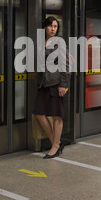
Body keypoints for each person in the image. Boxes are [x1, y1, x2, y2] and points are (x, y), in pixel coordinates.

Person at [34, 16, 70, 159]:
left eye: (55, 26)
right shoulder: (40, 42)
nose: (53, 29)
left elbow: (65, 64)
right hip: (43, 83)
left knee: (56, 115)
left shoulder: (59, 42)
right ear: (45, 27)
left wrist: (63, 84)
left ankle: (54, 146)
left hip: (55, 83)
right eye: (50, 26)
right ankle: (56, 142)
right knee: (39, 114)